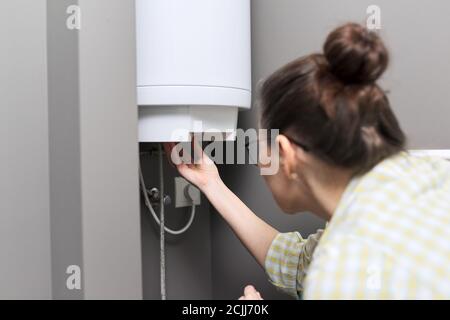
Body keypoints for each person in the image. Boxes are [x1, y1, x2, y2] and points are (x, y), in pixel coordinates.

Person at [166, 23, 450, 299]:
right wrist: (212, 184)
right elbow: (301, 263)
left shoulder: (344, 274)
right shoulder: (427, 171)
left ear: (286, 155)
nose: (255, 161)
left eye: (258, 147)